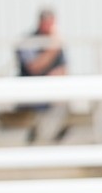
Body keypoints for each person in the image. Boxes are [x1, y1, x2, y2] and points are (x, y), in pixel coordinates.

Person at [16, 8, 69, 142]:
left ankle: (44, 141)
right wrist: (52, 48)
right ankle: (42, 141)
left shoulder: (55, 43)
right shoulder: (29, 41)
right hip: (31, 95)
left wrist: (58, 73)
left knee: (63, 104)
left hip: (53, 94)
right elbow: (33, 68)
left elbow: (63, 68)